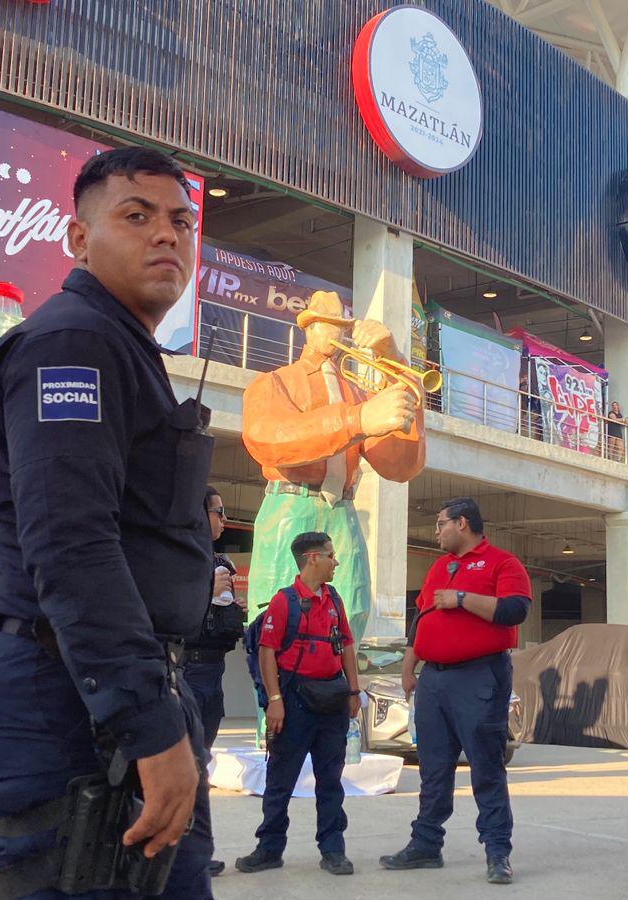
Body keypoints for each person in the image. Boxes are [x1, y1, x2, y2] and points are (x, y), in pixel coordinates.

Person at [0, 147, 217, 899]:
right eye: (137, 216)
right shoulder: (74, 343)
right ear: (78, 238)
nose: (167, 235)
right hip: (70, 708)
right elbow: (71, 545)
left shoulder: (122, 345)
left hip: (107, 695)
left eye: (180, 222)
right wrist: (149, 728)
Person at [240, 289, 426, 641]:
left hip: (342, 508)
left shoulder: (355, 392)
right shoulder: (275, 382)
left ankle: (341, 690)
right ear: (308, 329)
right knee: (278, 612)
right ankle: (275, 695)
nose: (338, 334)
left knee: (351, 609)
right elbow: (268, 439)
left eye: (341, 326)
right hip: (291, 506)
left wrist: (394, 364)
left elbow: (400, 466)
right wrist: (356, 420)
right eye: (329, 325)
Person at [381, 497, 532, 885]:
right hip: (434, 680)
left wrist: (461, 599)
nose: (436, 532)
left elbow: (515, 610)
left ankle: (498, 851)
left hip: (479, 677)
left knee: (485, 766)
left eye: (440, 524)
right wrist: (409, 665)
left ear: (462, 523)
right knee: (433, 767)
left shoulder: (502, 562)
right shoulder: (438, 567)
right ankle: (426, 845)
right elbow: (423, 618)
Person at [235, 532, 360, 877]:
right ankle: (270, 849)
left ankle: (333, 849)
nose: (336, 562)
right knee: (280, 781)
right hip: (295, 704)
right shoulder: (283, 602)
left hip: (332, 703)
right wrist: (275, 701)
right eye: (331, 555)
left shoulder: (334, 599)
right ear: (312, 558)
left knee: (330, 781)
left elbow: (346, 645)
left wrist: (354, 692)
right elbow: (267, 652)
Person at [184, 486, 245, 878]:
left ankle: (197, 851)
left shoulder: (219, 561)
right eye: (218, 512)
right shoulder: (178, 559)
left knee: (200, 764)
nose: (224, 520)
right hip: (185, 671)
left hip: (213, 671)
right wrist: (207, 591)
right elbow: (161, 613)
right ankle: (187, 854)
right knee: (185, 766)